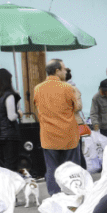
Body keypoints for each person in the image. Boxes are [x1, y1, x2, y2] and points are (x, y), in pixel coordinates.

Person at [33, 58, 83, 195]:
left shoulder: (37, 89)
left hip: (48, 137)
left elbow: (37, 109)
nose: (66, 71)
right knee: (71, 169)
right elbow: (77, 107)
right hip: (68, 136)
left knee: (52, 169)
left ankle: (55, 198)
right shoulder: (67, 88)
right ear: (57, 71)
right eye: (64, 69)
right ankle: (73, 196)